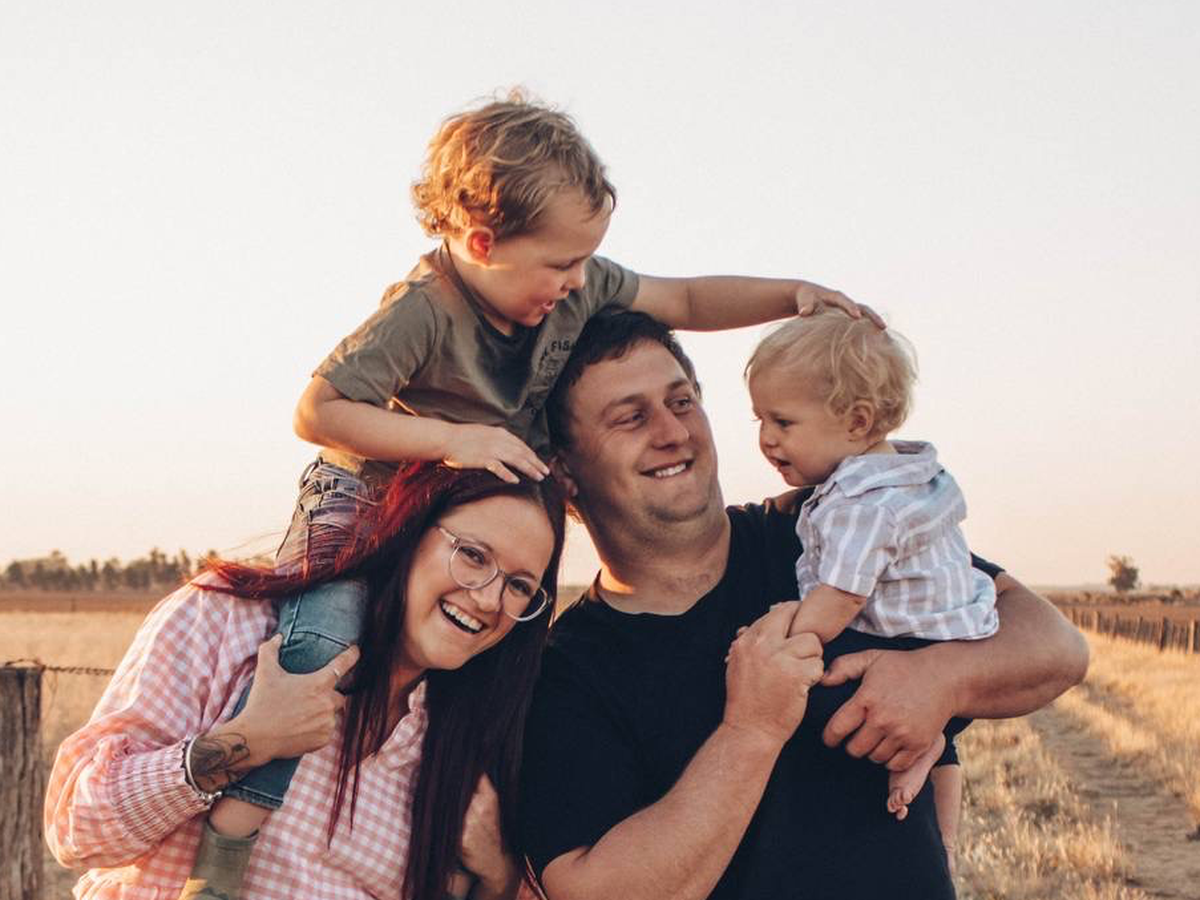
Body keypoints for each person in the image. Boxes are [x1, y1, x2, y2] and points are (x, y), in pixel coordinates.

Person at [191, 88, 875, 895]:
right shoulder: (425, 310)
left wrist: (792, 295)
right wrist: (453, 441)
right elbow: (319, 412)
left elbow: (685, 299)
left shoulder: (570, 292)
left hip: (457, 527)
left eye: (585, 261)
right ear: (482, 242)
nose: (579, 280)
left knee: (479, 677)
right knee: (322, 651)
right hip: (364, 503)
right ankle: (225, 855)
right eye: (560, 265)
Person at [518, 311, 1089, 900]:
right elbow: (593, 889)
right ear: (563, 470)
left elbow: (1058, 648)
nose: (673, 432)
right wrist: (751, 731)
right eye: (631, 417)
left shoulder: (825, 529)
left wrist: (941, 679)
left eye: (682, 402)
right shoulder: (565, 670)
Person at [45, 463, 566, 900]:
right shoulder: (235, 621)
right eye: (473, 555)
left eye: (520, 586)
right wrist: (249, 739)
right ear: (411, 529)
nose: (489, 599)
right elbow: (77, 832)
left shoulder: (463, 743)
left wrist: (498, 871)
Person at [744, 309, 1000, 849]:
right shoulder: (908, 475)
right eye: (759, 421)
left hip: (908, 639)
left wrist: (780, 635)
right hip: (953, 635)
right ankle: (937, 777)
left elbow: (840, 597)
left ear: (857, 422)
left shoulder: (861, 505)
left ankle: (925, 749)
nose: (766, 439)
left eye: (783, 423)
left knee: (816, 693)